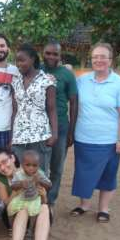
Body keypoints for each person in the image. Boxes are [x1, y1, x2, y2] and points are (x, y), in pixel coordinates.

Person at [70, 42, 120, 223]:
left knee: (108, 174)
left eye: (103, 57)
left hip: (109, 140)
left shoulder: (119, 84)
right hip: (84, 138)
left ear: (111, 60)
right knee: (83, 173)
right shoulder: (82, 80)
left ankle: (104, 209)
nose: (99, 60)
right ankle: (84, 205)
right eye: (95, 57)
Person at [0, 149, 50, 240]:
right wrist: (17, 190)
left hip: (35, 213)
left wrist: (44, 195)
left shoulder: (33, 170)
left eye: (4, 161)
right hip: (14, 214)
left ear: (12, 158)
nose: (2, 167)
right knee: (23, 210)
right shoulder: (1, 178)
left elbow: (44, 199)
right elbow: (6, 203)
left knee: (45, 207)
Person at [11, 43, 58, 177]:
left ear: (32, 59)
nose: (18, 64)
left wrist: (54, 134)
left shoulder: (47, 80)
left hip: (40, 136)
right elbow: (15, 110)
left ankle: (42, 199)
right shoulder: (16, 81)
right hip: (19, 136)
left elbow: (52, 109)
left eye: (22, 60)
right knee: (20, 175)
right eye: (16, 61)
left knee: (40, 175)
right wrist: (11, 136)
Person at [42, 41, 78, 206]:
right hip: (39, 127)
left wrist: (71, 131)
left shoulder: (67, 74)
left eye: (55, 54)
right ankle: (39, 200)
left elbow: (74, 103)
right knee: (39, 167)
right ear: (43, 53)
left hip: (62, 127)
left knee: (56, 168)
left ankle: (50, 202)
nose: (51, 56)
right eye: (48, 53)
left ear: (60, 56)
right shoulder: (37, 70)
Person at [7, 150, 51, 218]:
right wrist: (20, 184)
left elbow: (49, 185)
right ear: (22, 165)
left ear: (38, 165)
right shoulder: (19, 174)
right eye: (27, 165)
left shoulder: (40, 174)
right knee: (10, 209)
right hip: (21, 198)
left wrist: (40, 181)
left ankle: (31, 227)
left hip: (35, 199)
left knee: (35, 214)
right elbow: (12, 186)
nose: (31, 168)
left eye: (34, 165)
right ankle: (11, 226)